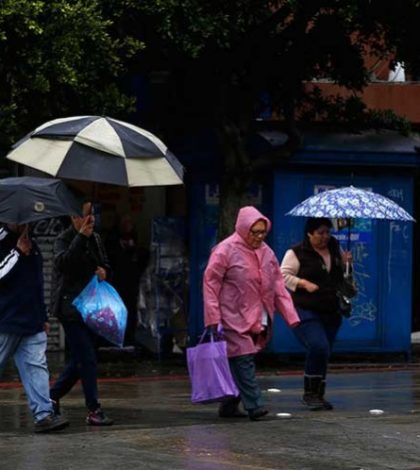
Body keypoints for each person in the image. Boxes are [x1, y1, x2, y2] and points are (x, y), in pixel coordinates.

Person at [203, 206, 300, 421]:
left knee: (238, 359)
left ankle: (229, 404)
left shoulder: (267, 253)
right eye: (254, 232)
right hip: (231, 315)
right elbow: (211, 284)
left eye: (262, 232)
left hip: (257, 316)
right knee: (243, 358)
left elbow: (277, 285)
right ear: (243, 228)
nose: (258, 236)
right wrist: (212, 316)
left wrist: (291, 315)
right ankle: (254, 405)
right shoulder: (225, 250)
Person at [0, 224, 69, 433]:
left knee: (36, 367)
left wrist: (42, 315)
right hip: (5, 320)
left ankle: (44, 414)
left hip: (31, 321)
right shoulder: (3, 240)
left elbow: (36, 282)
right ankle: (44, 413)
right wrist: (18, 252)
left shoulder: (34, 244)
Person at [49, 202, 114, 425]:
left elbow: (105, 263)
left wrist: (103, 271)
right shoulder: (64, 239)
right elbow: (63, 264)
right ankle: (94, 408)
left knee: (81, 359)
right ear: (74, 217)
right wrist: (80, 238)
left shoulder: (95, 238)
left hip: (92, 307)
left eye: (93, 214)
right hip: (71, 309)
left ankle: (52, 396)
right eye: (86, 215)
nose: (91, 219)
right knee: (86, 358)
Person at [280, 217, 353, 411]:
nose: (324, 237)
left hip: (331, 309)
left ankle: (318, 394)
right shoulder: (296, 252)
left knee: (324, 351)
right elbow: (282, 275)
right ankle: (309, 393)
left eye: (327, 232)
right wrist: (302, 283)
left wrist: (347, 265)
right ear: (309, 233)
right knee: (318, 346)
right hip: (305, 309)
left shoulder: (335, 249)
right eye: (320, 233)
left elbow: (344, 280)